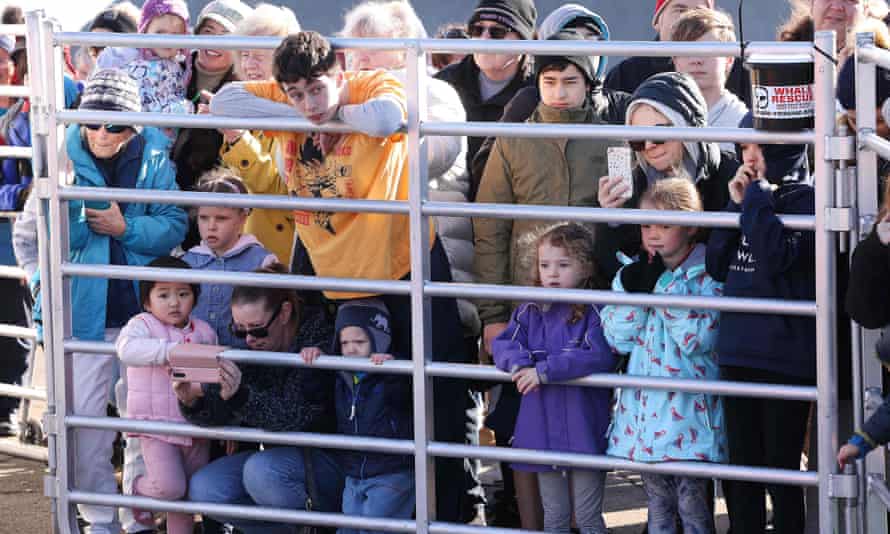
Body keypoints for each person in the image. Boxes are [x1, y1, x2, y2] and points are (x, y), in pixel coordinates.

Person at [209, 30, 471, 522]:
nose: (308, 104)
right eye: (295, 93)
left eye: (316, 90)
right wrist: (301, 111)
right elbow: (225, 101)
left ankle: (448, 517)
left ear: (339, 71)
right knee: (351, 412)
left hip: (402, 272)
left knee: (433, 403)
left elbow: (387, 118)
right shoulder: (289, 99)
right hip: (336, 280)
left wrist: (333, 112)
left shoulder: (370, 85)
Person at [473, 30, 614, 529]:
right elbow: (489, 226)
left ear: (587, 83)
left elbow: (626, 214)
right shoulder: (514, 139)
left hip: (593, 304)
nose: (558, 91)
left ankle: (587, 518)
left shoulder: (612, 136)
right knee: (523, 419)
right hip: (527, 302)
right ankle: (535, 523)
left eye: (570, 81)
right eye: (549, 81)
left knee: (591, 412)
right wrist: (492, 314)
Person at [64, 68, 188, 534]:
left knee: (144, 423)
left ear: (133, 125)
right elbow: (38, 237)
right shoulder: (61, 155)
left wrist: (125, 228)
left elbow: (175, 223)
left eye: (114, 124)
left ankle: (136, 518)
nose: (100, 132)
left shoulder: (156, 155)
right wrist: (42, 290)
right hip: (86, 317)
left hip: (142, 315)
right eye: (92, 122)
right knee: (85, 428)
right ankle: (99, 519)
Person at [339, 0, 479, 361]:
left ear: (403, 47)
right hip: (366, 259)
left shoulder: (434, 93)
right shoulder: (345, 99)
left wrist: (379, 122)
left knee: (440, 377)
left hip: (433, 256)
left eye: (371, 43)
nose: (360, 55)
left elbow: (436, 155)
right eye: (354, 45)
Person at [705, 112, 815, 534]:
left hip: (783, 357)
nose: (748, 160)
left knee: (781, 467)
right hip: (738, 352)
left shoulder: (805, 200)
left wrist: (756, 201)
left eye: (758, 150)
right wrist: (735, 205)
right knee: (742, 464)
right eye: (743, 149)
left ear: (783, 152)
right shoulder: (747, 197)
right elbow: (716, 264)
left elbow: (776, 259)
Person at [179, 266, 343, 534]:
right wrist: (192, 401)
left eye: (257, 330)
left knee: (261, 472)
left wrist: (240, 396)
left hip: (330, 462)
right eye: (239, 330)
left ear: (285, 312)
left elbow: (294, 416)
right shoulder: (255, 347)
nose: (249, 339)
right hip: (283, 462)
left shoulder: (317, 340)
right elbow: (224, 411)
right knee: (205, 488)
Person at [602, 177, 725, 534]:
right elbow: (615, 338)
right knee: (656, 506)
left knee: (693, 507)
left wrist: (662, 286)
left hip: (690, 419)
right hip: (645, 419)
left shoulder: (708, 275)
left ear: (690, 227)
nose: (653, 234)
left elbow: (698, 337)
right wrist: (635, 288)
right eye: (646, 225)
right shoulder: (632, 272)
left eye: (665, 225)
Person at [491, 222, 616, 534]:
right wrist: (520, 365)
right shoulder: (529, 309)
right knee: (555, 518)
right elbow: (504, 343)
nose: (552, 273)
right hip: (542, 429)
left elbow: (600, 354)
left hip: (583, 426)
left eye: (563, 265)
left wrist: (545, 371)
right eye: (545, 265)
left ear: (586, 267)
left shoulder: (595, 309)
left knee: (588, 519)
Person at [470, 4, 632, 187]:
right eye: (571, 40)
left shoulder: (620, 105)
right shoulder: (529, 102)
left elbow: (630, 185)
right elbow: (485, 171)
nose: (584, 51)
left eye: (593, 40)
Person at [596, 71, 738, 280]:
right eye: (637, 140)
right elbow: (610, 271)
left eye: (658, 135)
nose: (649, 146)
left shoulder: (730, 177)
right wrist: (611, 220)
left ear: (687, 126)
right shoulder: (633, 184)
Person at [115, 256, 218, 533]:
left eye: (183, 294)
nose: (174, 302)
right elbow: (126, 349)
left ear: (195, 298)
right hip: (156, 425)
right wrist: (169, 351)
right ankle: (137, 490)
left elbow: (214, 376)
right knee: (170, 487)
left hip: (196, 428)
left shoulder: (205, 332)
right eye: (163, 295)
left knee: (186, 499)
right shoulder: (142, 324)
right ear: (147, 301)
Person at [301, 299, 414, 533]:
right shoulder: (342, 374)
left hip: (392, 472)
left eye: (360, 341)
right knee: (349, 528)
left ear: (380, 339)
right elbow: (313, 394)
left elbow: (404, 400)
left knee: (374, 528)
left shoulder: (394, 370)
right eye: (344, 343)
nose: (351, 349)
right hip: (354, 472)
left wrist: (394, 372)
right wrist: (315, 363)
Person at [213, 3, 300, 265]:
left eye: (260, 55)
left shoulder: (296, 107)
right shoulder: (243, 99)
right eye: (245, 54)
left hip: (281, 257)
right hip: (246, 251)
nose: (249, 64)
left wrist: (237, 138)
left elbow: (278, 192)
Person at [435, 0, 538, 201]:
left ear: (523, 40)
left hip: (510, 209)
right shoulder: (444, 83)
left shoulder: (539, 91)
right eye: (476, 29)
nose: (484, 38)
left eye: (497, 32)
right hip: (450, 208)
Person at [171, 0, 252, 251]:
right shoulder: (169, 68)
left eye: (226, 35)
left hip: (210, 216)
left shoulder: (246, 89)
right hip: (160, 199)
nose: (214, 42)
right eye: (208, 32)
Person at [181, 168, 278, 347]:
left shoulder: (263, 262)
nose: (211, 226)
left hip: (247, 359)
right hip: (198, 359)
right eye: (203, 218)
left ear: (242, 218)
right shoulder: (187, 261)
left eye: (221, 218)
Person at [604, 0, 750, 105]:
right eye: (680, 10)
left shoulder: (742, 72)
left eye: (698, 11)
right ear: (657, 21)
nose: (689, 18)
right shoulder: (626, 74)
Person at [96, 0, 193, 140]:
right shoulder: (132, 57)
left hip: (160, 139)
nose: (168, 40)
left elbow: (172, 98)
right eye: (160, 33)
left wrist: (185, 108)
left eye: (175, 34)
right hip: (131, 131)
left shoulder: (179, 68)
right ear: (145, 30)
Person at [670, 7, 748, 152]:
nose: (696, 60)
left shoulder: (742, 121)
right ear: (674, 59)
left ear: (729, 60)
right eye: (687, 51)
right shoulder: (660, 114)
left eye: (707, 51)